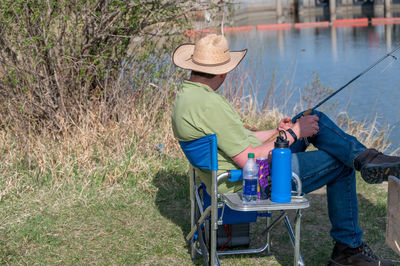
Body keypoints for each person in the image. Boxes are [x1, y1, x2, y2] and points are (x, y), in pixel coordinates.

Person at [171, 34, 400, 266]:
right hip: (252, 181)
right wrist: (294, 134)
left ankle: (368, 160)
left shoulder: (189, 97)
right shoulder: (210, 104)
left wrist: (278, 131)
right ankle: (349, 250)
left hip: (236, 173)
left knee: (313, 118)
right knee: (341, 163)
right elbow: (249, 160)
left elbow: (240, 140)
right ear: (223, 72)